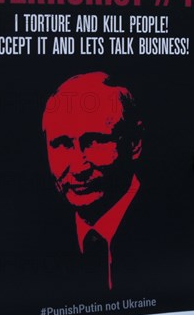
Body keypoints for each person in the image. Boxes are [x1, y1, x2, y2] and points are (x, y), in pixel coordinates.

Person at [41, 71, 144, 291]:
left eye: (95, 141)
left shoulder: (173, 220)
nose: (79, 168)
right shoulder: (35, 239)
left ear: (134, 143)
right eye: (61, 145)